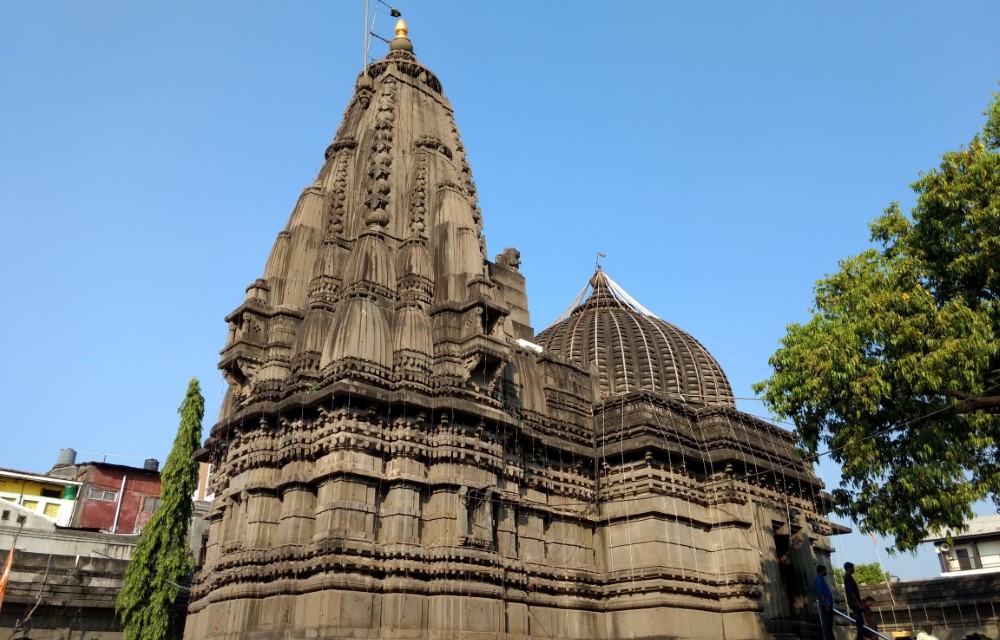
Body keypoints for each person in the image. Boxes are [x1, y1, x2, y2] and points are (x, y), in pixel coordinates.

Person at [843, 562, 864, 639]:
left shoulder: (849, 578)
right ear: (848, 568)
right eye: (852, 567)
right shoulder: (847, 578)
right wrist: (858, 602)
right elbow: (851, 592)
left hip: (854, 602)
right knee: (859, 622)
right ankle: (859, 637)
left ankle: (860, 637)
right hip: (854, 602)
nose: (853, 569)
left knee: (860, 621)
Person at [814, 565, 836, 640]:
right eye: (825, 570)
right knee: (826, 625)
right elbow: (821, 594)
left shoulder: (821, 579)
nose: (826, 572)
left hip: (828, 605)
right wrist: (826, 605)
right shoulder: (818, 580)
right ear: (822, 570)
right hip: (825, 606)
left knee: (829, 625)